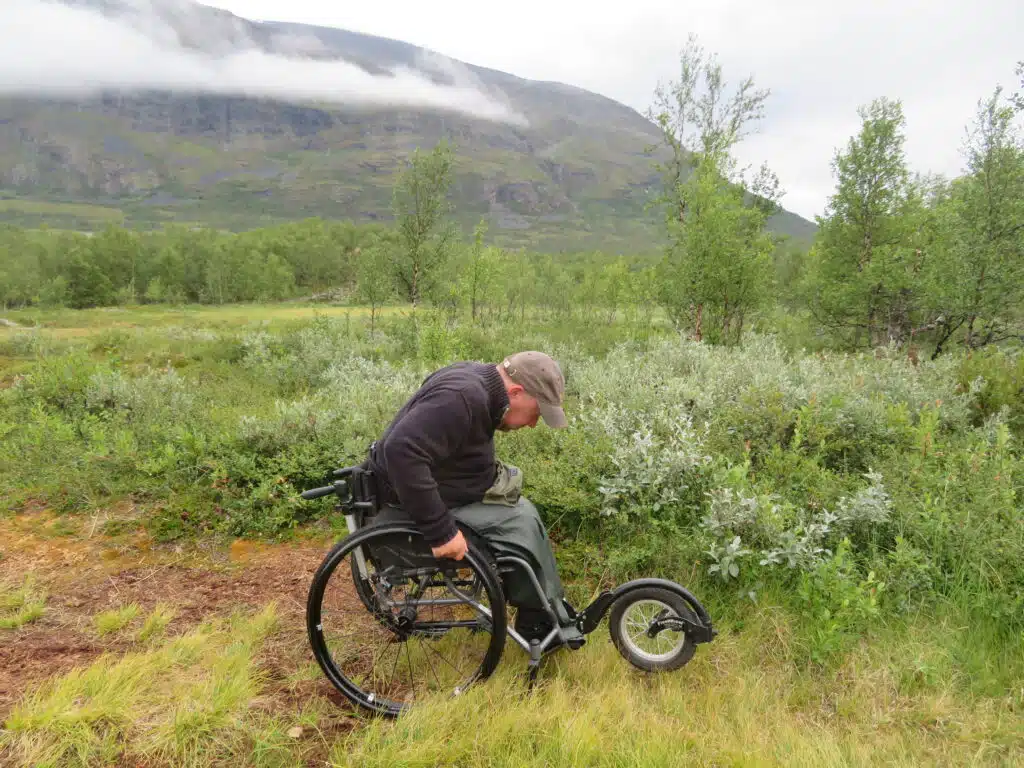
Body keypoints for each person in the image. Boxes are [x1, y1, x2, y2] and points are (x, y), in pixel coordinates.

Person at [366, 350, 583, 646]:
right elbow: (401, 452)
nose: (533, 424)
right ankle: (538, 623)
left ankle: (547, 612)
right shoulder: (461, 397)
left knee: (524, 513)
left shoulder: (478, 380)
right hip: (405, 501)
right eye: (536, 413)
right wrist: (441, 532)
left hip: (451, 484)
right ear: (516, 392)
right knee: (517, 528)